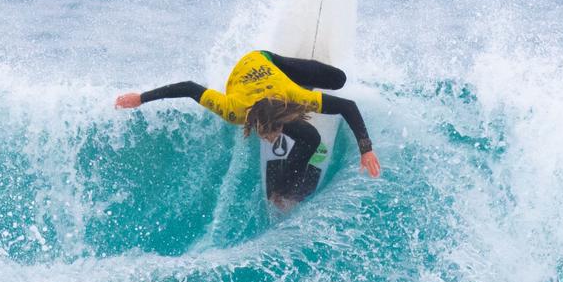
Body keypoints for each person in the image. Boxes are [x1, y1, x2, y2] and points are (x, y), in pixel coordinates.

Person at [115, 50, 380, 207]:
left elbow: (348, 106)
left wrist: (365, 150)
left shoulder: (293, 95)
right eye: (273, 133)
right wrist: (141, 98)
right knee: (310, 136)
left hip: (268, 62)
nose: (274, 137)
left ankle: (302, 70)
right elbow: (188, 87)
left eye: (276, 131)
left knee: (338, 80)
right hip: (246, 70)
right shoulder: (232, 109)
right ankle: (280, 191)